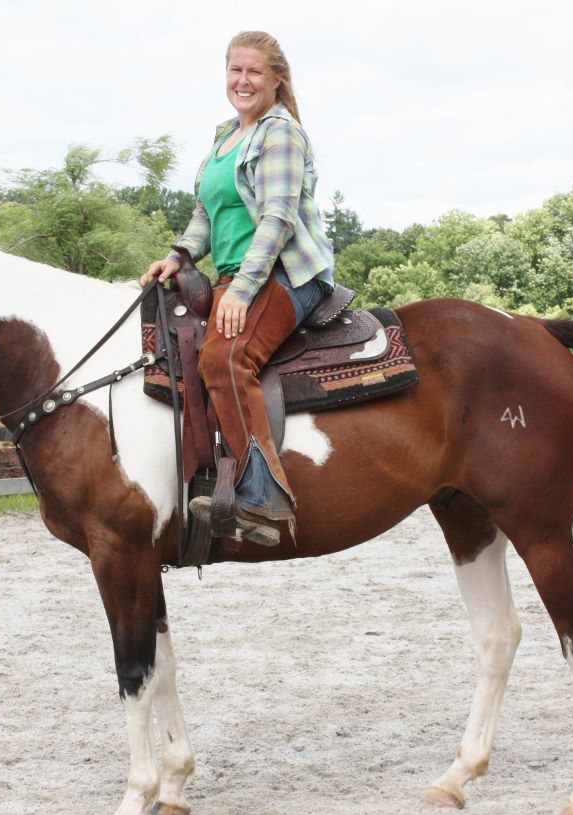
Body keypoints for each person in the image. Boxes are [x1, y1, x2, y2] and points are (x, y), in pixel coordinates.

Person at [141, 30, 335, 547]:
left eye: (254, 71)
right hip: (235, 275)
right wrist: (178, 256)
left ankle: (264, 496)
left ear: (276, 80)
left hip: (285, 274)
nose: (243, 81)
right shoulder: (226, 136)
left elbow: (277, 218)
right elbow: (205, 214)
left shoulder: (281, 134)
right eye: (235, 70)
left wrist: (244, 290)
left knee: (224, 357)